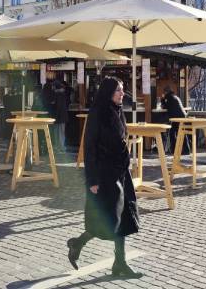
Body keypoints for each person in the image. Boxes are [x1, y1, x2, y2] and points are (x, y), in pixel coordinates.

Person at [67, 77, 141, 278]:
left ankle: (120, 263)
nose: (122, 93)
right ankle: (78, 243)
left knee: (124, 218)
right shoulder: (98, 112)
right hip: (105, 175)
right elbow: (89, 149)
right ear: (109, 91)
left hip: (120, 173)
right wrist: (92, 180)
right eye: (118, 90)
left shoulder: (117, 111)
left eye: (123, 89)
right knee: (110, 220)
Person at [161, 86, 187, 154]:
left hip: (176, 117)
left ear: (166, 92)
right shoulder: (175, 96)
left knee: (173, 132)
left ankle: (174, 149)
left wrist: (162, 99)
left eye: (164, 92)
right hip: (181, 116)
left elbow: (164, 106)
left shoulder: (169, 97)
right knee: (180, 132)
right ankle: (185, 150)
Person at [52, 79, 70, 152]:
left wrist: (55, 116)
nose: (52, 87)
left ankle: (59, 147)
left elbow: (58, 106)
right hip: (63, 116)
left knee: (57, 132)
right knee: (61, 132)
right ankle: (61, 147)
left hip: (58, 116)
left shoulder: (57, 94)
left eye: (53, 86)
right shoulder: (63, 93)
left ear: (55, 86)